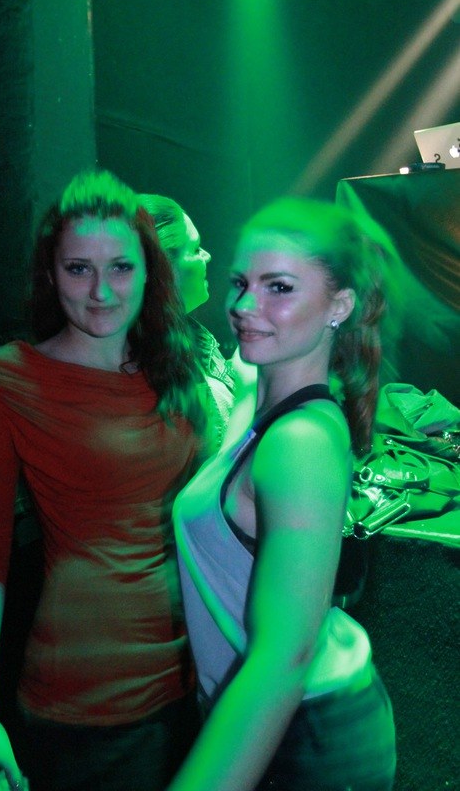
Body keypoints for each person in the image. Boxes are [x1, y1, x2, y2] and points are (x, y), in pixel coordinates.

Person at [0, 169, 209, 791]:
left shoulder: (175, 367)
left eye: (120, 267)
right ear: (51, 274)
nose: (100, 291)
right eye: (78, 269)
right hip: (87, 704)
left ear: (148, 272)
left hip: (196, 680)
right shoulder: (7, 381)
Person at [171, 197, 398, 791]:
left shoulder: (299, 441)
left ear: (339, 306)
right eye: (240, 283)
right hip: (286, 723)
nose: (245, 306)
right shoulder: (267, 401)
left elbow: (282, 659)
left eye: (279, 287)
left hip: (304, 736)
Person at [138, 194, 236, 449]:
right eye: (195, 249)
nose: (207, 256)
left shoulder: (192, 336)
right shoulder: (141, 365)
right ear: (164, 268)